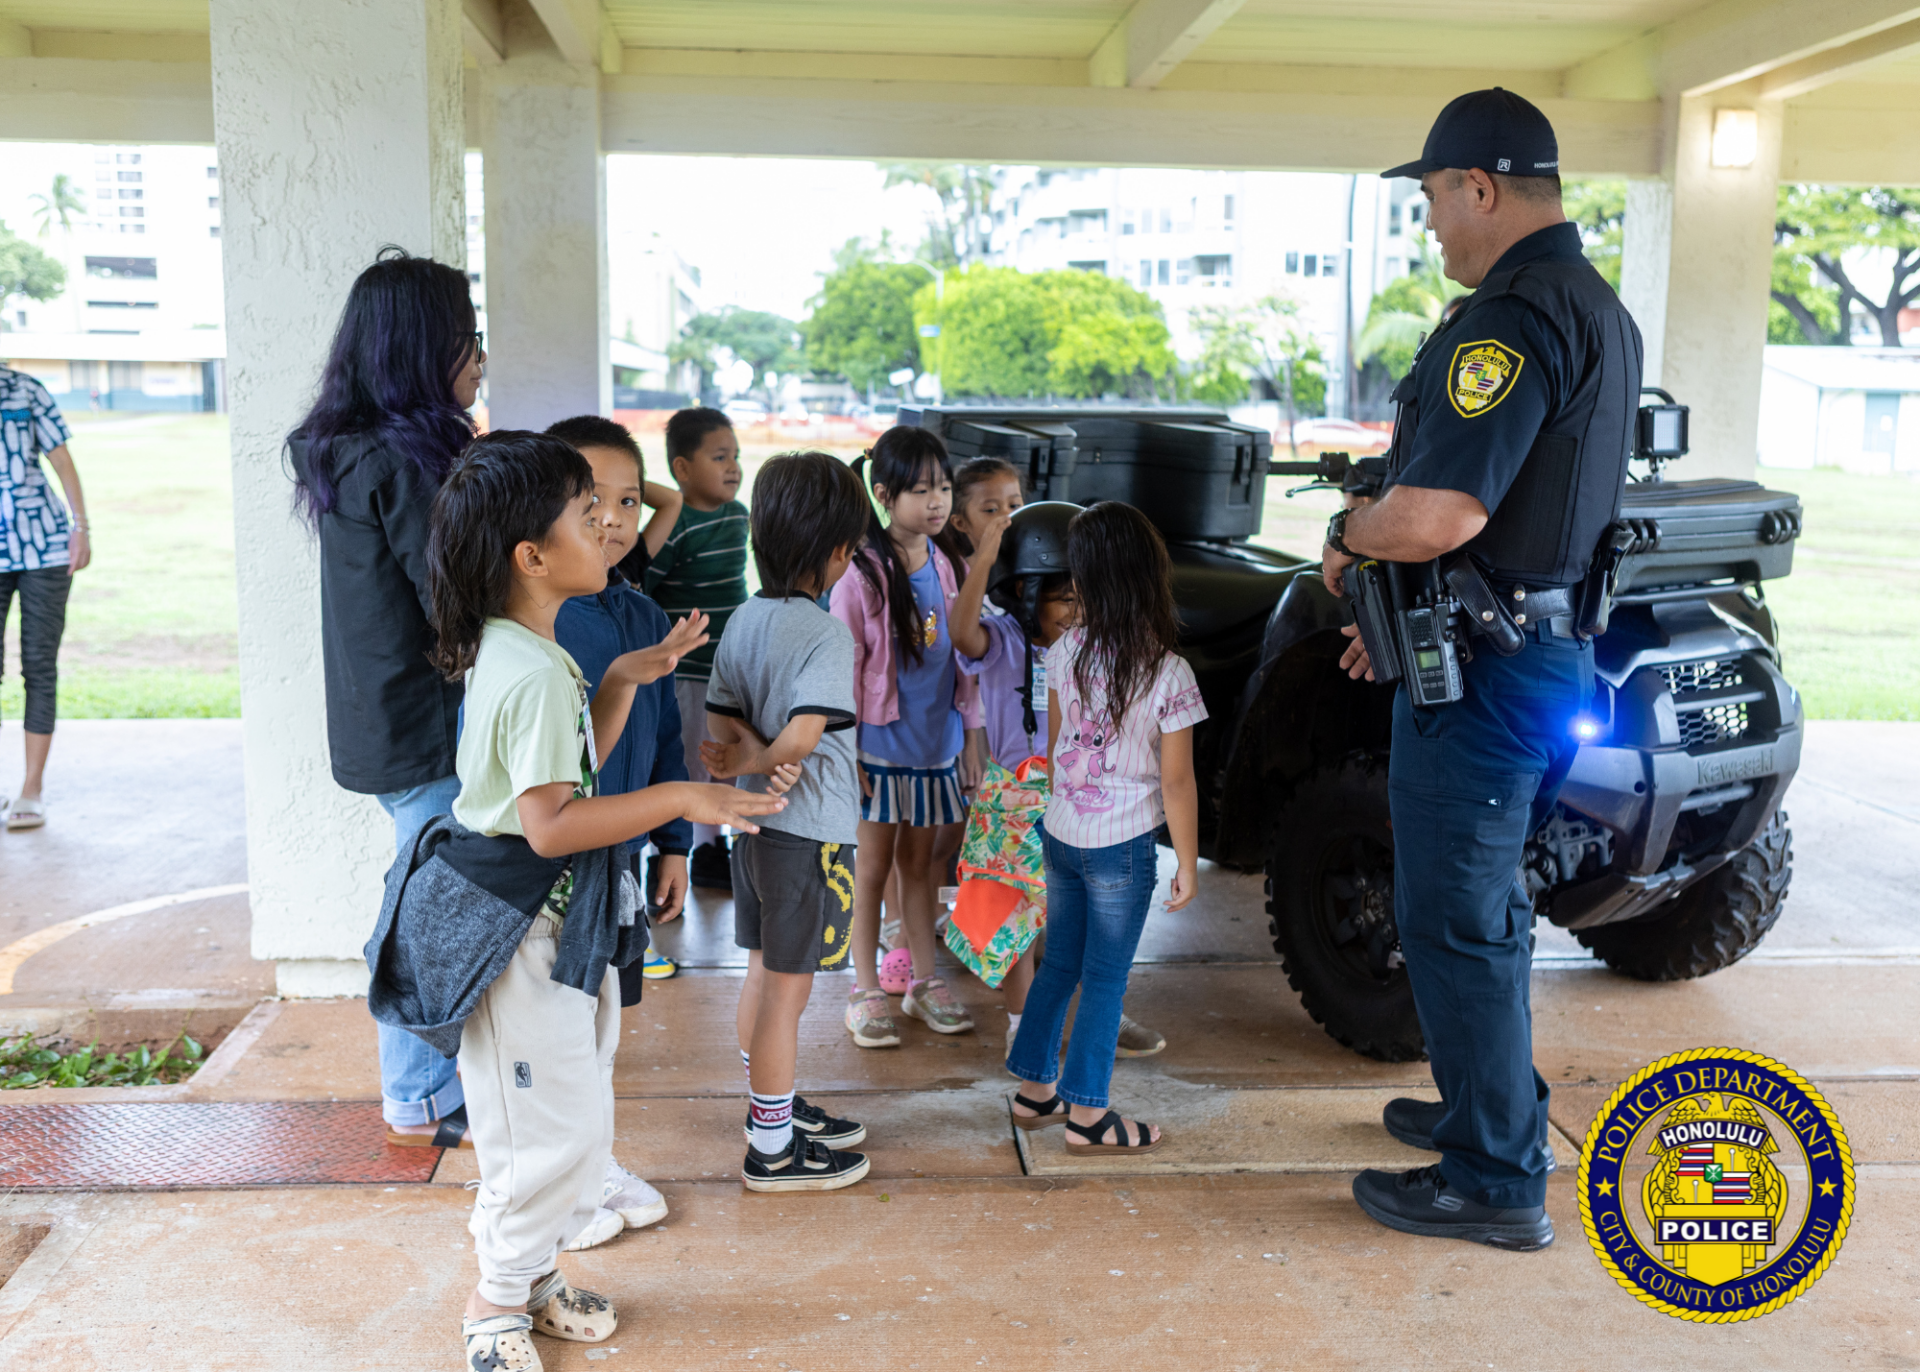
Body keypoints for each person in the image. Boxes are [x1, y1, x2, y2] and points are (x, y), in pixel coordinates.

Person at [1325, 88, 1641, 1251]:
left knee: (1456, 912)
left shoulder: (1507, 322)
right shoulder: (1595, 305)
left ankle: (1495, 1176)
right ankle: (1479, 1107)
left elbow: (1444, 512)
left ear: (1482, 188)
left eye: (1434, 203)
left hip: (1493, 672)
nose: (1434, 229)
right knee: (1469, 900)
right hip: (1517, 648)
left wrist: (1351, 532)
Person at [419, 430, 791, 1371]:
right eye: (591, 518)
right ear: (533, 558)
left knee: (564, 1115)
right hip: (519, 929)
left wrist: (623, 678)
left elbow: (562, 760)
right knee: (545, 1128)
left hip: (557, 926)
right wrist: (680, 799)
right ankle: (494, 1299)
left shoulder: (530, 649)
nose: (614, 529)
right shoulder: (533, 667)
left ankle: (533, 1273)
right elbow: (549, 823)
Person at [286, 247, 482, 1148]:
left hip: (384, 720)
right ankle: (421, 1089)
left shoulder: (354, 449)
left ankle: (427, 1079)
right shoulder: (405, 461)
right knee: (425, 905)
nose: (481, 356)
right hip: (422, 726)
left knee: (424, 889)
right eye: (467, 338)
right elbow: (455, 596)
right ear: (419, 348)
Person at [700, 450, 876, 1192]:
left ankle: (767, 1107)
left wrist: (747, 760)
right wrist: (777, 756)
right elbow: (805, 736)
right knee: (790, 990)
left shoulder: (745, 616)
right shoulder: (825, 632)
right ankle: (771, 1148)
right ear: (840, 551)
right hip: (807, 837)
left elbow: (717, 726)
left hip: (753, 829)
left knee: (761, 973)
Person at [1007, 502, 1204, 1155]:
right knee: (1106, 978)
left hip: (1063, 831)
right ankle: (1089, 1114)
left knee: (1060, 962)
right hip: (1121, 845)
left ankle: (1035, 1093)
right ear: (1150, 575)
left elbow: (1061, 743)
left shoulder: (1065, 648)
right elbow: (1176, 780)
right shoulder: (1168, 673)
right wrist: (1187, 861)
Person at [950, 499, 1170, 1060]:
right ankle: (1024, 1024)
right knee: (1013, 921)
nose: (1077, 611)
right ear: (1027, 597)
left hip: (1083, 799)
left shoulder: (1107, 653)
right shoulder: (1002, 642)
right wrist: (985, 559)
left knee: (1088, 921)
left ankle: (1105, 1015)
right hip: (1012, 799)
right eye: (1065, 599)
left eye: (1085, 596)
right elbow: (959, 632)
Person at [831, 427, 984, 1049]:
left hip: (934, 745)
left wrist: (971, 737)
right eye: (921, 490)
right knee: (871, 870)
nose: (938, 502)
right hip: (878, 751)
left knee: (922, 868)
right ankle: (865, 989)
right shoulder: (859, 576)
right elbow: (841, 673)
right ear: (884, 494)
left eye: (944, 487)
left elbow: (966, 658)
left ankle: (924, 981)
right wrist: (845, 752)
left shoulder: (949, 563)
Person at [550, 414, 686, 986]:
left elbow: (666, 736)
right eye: (591, 498)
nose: (612, 517)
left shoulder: (647, 616)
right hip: (552, 868)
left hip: (625, 860)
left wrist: (674, 845)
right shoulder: (534, 621)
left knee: (610, 1015)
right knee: (556, 1017)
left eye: (629, 501)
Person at [644, 407, 747, 890]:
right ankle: (671, 852)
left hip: (729, 668)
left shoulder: (739, 516)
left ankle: (712, 848)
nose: (733, 467)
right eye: (719, 456)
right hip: (685, 672)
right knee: (685, 764)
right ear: (682, 469)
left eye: (736, 457)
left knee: (722, 760)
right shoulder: (677, 526)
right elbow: (646, 587)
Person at [0, 366, 89, 831]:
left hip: (44, 547)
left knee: (38, 664)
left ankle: (31, 788)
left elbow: (62, 461)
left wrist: (81, 528)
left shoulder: (25, 389)